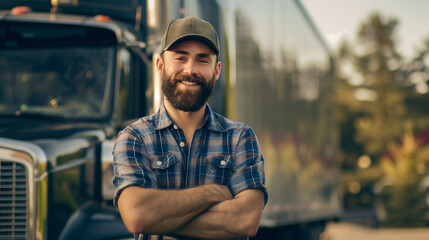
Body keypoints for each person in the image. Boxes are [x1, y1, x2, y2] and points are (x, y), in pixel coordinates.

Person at [113, 16, 267, 240]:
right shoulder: (135, 137)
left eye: (202, 60)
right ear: (160, 65)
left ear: (216, 71)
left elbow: (245, 221)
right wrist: (212, 193)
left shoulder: (240, 138)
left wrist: (160, 218)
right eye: (180, 58)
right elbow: (138, 215)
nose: (190, 69)